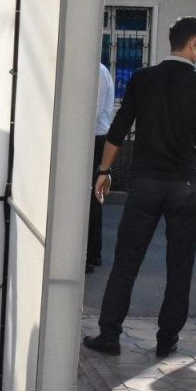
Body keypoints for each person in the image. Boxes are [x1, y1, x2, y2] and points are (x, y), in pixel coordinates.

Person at [84, 17, 196, 359]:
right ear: (194, 44)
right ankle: (167, 341)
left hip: (145, 183)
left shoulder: (143, 78)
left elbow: (119, 128)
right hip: (186, 185)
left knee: (126, 262)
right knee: (180, 267)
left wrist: (104, 170)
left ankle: (109, 335)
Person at [86, 61, 115, 273]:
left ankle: (90, 254)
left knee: (90, 198)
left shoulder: (95, 71)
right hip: (92, 138)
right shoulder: (96, 70)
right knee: (89, 198)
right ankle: (90, 252)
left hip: (94, 139)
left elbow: (91, 112)